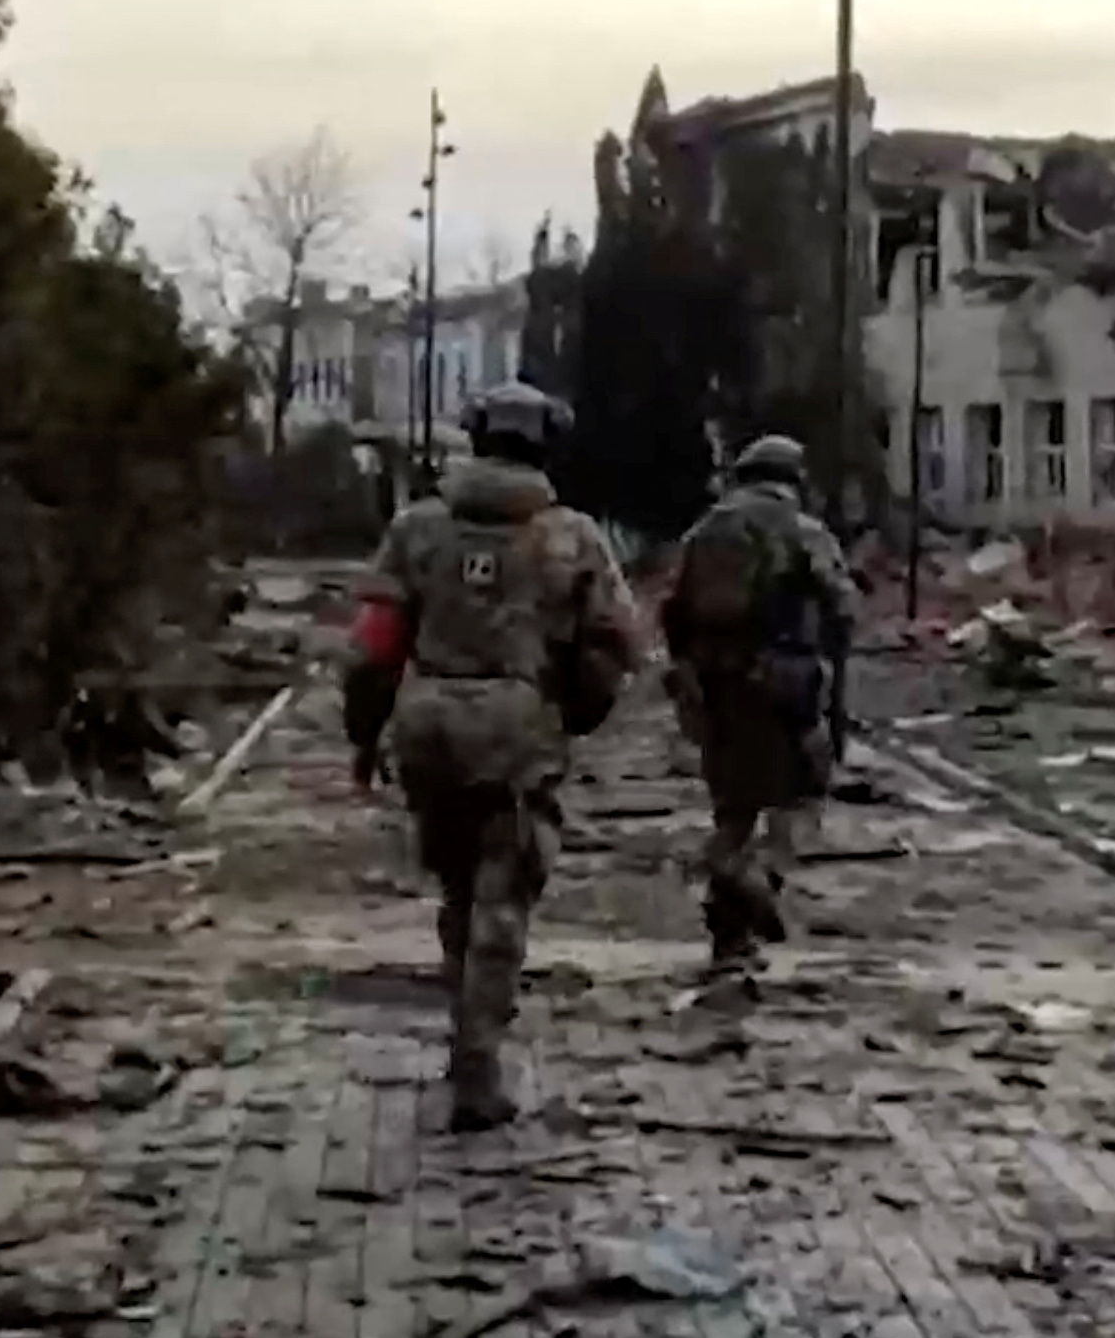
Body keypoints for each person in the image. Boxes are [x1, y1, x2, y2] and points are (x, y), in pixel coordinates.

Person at [344, 382, 641, 1131]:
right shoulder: (570, 537)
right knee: (502, 898)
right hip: (515, 726)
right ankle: (477, 1066)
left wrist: (364, 731)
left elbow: (374, 645)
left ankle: (461, 1028)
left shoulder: (416, 528)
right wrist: (570, 715)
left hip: (428, 722)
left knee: (455, 888)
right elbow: (611, 644)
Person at [661, 433, 858, 973]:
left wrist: (688, 675)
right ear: (794, 479)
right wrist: (833, 671)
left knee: (733, 806)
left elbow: (671, 610)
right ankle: (754, 877)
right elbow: (841, 605)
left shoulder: (703, 532)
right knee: (801, 794)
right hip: (784, 683)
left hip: (714, 687)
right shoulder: (802, 530)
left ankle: (730, 935)